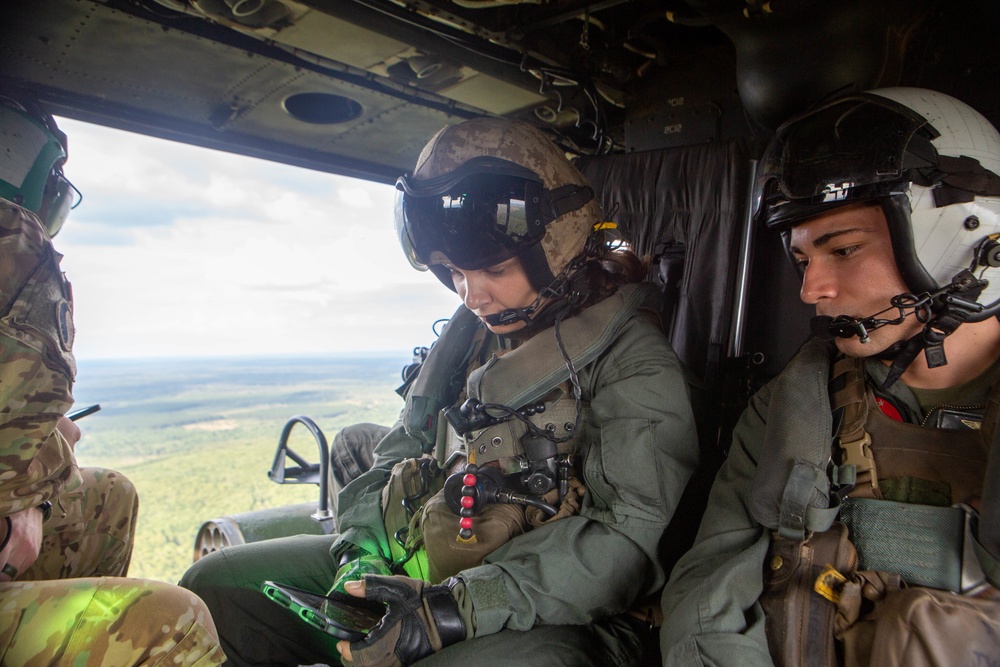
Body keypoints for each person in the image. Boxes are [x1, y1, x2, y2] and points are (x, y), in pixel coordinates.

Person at [181, 117, 700, 666]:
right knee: (214, 590)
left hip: (568, 613)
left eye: (493, 268)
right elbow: (402, 449)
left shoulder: (632, 362)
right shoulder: (471, 337)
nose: (471, 294)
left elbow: (624, 542)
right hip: (424, 567)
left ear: (557, 245)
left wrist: (451, 611)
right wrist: (359, 550)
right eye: (452, 271)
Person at [660, 87, 1000, 666]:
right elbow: (709, 596)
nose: (810, 290)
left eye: (842, 250)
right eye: (802, 259)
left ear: (968, 235)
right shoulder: (791, 407)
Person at [0, 91, 225, 665]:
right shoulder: (13, 251)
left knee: (108, 498)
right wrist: (43, 468)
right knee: (172, 621)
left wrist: (29, 493)